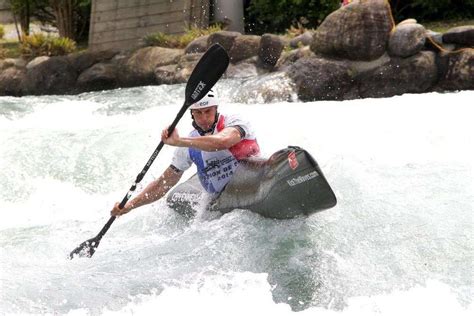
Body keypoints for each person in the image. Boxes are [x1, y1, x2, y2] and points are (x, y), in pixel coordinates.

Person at [111, 89, 260, 217]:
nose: (204, 118)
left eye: (208, 111)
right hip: (221, 196)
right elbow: (163, 184)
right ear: (192, 114)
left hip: (254, 181)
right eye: (198, 113)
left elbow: (222, 142)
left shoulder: (234, 121)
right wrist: (130, 205)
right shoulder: (187, 146)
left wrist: (180, 141)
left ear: (216, 109)